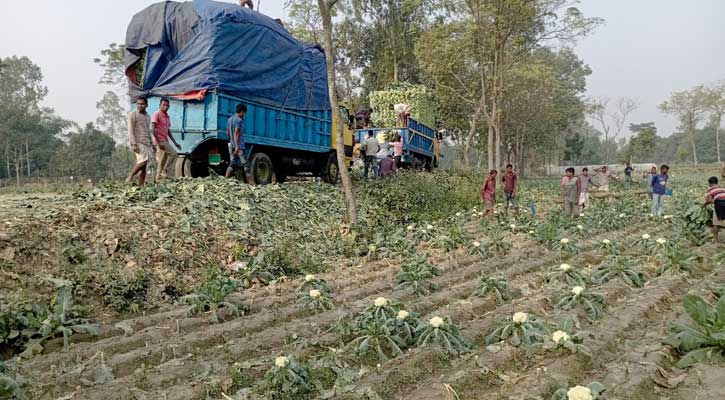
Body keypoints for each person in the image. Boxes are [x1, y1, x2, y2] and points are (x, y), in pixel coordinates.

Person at [152, 98, 182, 182]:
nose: (165, 107)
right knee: (174, 154)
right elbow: (153, 129)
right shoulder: (156, 114)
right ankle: (164, 171)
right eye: (163, 105)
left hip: (165, 140)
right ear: (160, 105)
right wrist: (158, 141)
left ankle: (157, 178)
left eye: (167, 105)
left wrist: (175, 143)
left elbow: (168, 131)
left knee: (162, 159)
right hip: (159, 140)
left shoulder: (168, 117)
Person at [125, 97, 154, 186]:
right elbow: (130, 130)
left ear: (146, 105)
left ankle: (141, 185)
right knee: (143, 161)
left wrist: (151, 143)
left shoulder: (148, 116)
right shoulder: (133, 114)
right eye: (138, 104)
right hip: (138, 142)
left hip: (146, 142)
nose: (140, 105)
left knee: (144, 167)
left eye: (142, 104)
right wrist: (133, 143)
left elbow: (147, 130)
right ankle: (130, 176)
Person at [225, 103, 254, 184]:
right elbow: (236, 133)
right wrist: (237, 146)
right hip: (239, 146)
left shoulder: (230, 119)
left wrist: (232, 142)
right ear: (241, 111)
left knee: (233, 162)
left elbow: (227, 132)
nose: (244, 115)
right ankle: (251, 183)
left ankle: (225, 179)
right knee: (246, 164)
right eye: (244, 113)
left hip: (232, 144)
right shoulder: (239, 120)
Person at [705, 176, 725, 243]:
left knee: (716, 223)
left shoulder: (710, 190)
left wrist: (704, 205)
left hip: (719, 205)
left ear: (710, 183)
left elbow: (710, 200)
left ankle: (716, 242)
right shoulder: (722, 188)